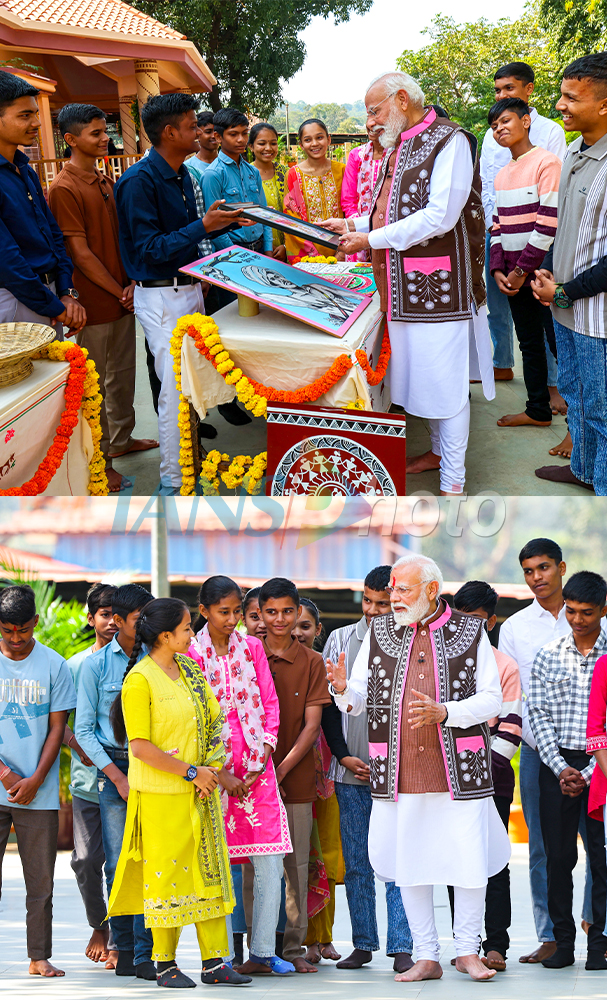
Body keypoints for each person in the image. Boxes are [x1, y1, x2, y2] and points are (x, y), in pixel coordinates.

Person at [327, 554, 510, 983]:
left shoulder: (470, 631)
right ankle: (426, 955)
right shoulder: (380, 631)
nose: (394, 597)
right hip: (398, 769)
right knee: (409, 861)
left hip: (460, 769)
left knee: (468, 860)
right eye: (392, 588)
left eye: (403, 589)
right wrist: (340, 688)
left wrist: (445, 711)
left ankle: (467, 951)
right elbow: (356, 698)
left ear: (431, 590)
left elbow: (491, 700)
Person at [324, 71, 494, 497]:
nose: (370, 122)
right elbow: (390, 214)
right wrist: (350, 223)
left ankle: (453, 481)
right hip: (401, 289)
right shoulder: (399, 146)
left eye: (374, 111)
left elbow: (440, 215)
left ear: (402, 99)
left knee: (446, 384)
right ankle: (437, 453)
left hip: (440, 291)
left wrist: (370, 239)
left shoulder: (450, 140)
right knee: (422, 380)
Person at [106, 597, 251, 988]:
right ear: (166, 635)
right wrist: (191, 772)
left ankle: (215, 963)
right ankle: (165, 963)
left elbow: (213, 719)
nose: (192, 634)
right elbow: (139, 747)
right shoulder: (140, 679)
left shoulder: (188, 668)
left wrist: (210, 771)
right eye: (187, 628)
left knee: (209, 875)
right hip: (161, 798)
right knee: (167, 880)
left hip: (199, 793)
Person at [115, 94, 247, 495]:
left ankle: (188, 460)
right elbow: (149, 250)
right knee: (173, 393)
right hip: (161, 297)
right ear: (170, 132)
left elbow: (192, 236)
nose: (200, 132)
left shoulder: (182, 176)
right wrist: (203, 227)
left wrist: (222, 225)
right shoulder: (138, 182)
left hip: (190, 290)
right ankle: (172, 483)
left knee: (189, 389)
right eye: (192, 126)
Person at [187, 576, 294, 976]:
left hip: (257, 772)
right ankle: (223, 956)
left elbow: (269, 700)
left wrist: (265, 750)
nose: (233, 619)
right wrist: (219, 772)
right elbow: (193, 718)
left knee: (270, 861)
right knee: (221, 866)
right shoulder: (190, 654)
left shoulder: (252, 647)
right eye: (223, 612)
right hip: (214, 777)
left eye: (237, 612)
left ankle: (264, 951)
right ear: (204, 611)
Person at [49, 103, 158, 494]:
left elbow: (121, 240)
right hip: (93, 305)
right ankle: (101, 462)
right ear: (70, 139)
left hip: (121, 297)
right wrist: (119, 290)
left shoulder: (105, 180)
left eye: (103, 131)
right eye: (95, 133)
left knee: (122, 377)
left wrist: (128, 286)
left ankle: (122, 440)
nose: (104, 139)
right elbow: (79, 253)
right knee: (94, 385)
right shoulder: (64, 187)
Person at [321, 565, 414, 973]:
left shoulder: (415, 639)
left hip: (400, 776)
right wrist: (343, 756)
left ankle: (402, 947)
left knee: (399, 861)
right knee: (357, 862)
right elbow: (327, 708)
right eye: (369, 601)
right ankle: (363, 944)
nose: (375, 611)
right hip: (350, 774)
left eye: (384, 603)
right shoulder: (340, 640)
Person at [498, 538, 576, 964]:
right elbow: (517, 697)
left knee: (595, 839)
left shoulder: (589, 618)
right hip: (534, 750)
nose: (536, 578)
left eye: (543, 568)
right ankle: (549, 934)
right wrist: (544, 747)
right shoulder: (515, 628)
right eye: (528, 571)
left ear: (561, 568)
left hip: (592, 748)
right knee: (542, 846)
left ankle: (592, 922)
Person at [532, 53, 607, 494]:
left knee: (601, 408)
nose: (560, 105)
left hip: (596, 319)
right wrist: (545, 273)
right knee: (576, 397)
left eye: (570, 98)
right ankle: (583, 468)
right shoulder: (576, 151)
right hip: (566, 309)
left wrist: (564, 291)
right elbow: (561, 225)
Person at [75, 583, 155, 980]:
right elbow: (84, 731)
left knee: (152, 862)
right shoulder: (93, 666)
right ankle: (123, 947)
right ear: (118, 622)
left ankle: (147, 952)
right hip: (114, 773)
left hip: (155, 768)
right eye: (139, 621)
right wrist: (116, 777)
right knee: (118, 866)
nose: (145, 627)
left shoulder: (157, 660)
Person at [529, 571, 607, 970]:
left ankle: (599, 943)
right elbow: (537, 714)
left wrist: (591, 772)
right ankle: (561, 942)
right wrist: (562, 768)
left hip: (603, 765)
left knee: (601, 856)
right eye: (572, 611)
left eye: (587, 613)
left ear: (604, 610)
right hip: (555, 765)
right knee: (558, 857)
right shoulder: (548, 654)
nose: (577, 620)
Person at [0, 585, 76, 978]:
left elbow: (57, 728)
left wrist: (35, 779)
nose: (15, 639)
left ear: (35, 623)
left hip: (40, 793)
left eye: (22, 630)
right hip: (3, 782)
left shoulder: (54, 666)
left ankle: (38, 956)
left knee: (40, 883)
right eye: (7, 631)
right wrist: (7, 775)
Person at [480, 62, 566, 402]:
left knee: (553, 331)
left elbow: (550, 211)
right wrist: (500, 259)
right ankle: (535, 403)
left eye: (509, 90)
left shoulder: (549, 145)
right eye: (498, 91)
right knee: (515, 321)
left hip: (540, 249)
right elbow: (491, 193)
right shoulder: (500, 160)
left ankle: (557, 387)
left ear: (528, 91)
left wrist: (520, 269)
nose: (502, 96)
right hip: (505, 243)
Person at [259, 577, 332, 973]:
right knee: (255, 865)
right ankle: (257, 949)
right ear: (261, 613)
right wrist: (263, 772)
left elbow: (312, 725)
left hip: (296, 778)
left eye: (288, 611)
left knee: (296, 866)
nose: (280, 619)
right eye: (271, 612)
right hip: (251, 779)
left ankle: (292, 949)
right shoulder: (249, 654)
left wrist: (281, 768)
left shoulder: (312, 662)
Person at [453, 581, 522, 972]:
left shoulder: (503, 665)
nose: (468, 629)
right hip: (448, 780)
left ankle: (495, 943)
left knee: (493, 860)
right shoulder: (442, 659)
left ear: (492, 622)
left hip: (491, 777)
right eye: (461, 620)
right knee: (455, 859)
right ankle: (466, 944)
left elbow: (510, 727)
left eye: (477, 622)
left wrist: (475, 772)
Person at [0, 71, 86, 334]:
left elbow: (53, 235)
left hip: (50, 296)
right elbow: (6, 259)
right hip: (15, 298)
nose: (37, 123)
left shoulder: (24, 170)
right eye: (25, 115)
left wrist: (65, 292)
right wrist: (56, 306)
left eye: (35, 114)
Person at [64, 583, 118, 969]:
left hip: (124, 779)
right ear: (90, 619)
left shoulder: (137, 661)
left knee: (119, 860)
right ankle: (97, 924)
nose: (111, 621)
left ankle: (117, 936)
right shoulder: (75, 666)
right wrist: (78, 746)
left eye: (118, 614)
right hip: (86, 781)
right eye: (104, 614)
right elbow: (60, 722)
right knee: (86, 860)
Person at [292, 599, 343, 968]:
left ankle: (324, 936)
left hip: (327, 773)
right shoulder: (271, 665)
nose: (298, 632)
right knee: (299, 856)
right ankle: (304, 938)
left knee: (326, 856)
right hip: (292, 772)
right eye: (293, 625)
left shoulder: (329, 670)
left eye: (306, 626)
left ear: (318, 630)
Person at [202, 107, 284, 261]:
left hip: (260, 250)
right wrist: (236, 255)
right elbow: (213, 225)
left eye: (244, 133)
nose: (241, 139)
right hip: (231, 253)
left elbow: (264, 214)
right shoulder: (212, 174)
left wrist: (267, 251)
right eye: (233, 134)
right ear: (218, 137)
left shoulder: (253, 172)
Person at [283, 118, 345, 260]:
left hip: (343, 252)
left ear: (328, 140)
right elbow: (292, 220)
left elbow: (350, 210)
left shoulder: (342, 170)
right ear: (301, 145)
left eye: (319, 137)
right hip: (307, 257)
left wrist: (343, 252)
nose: (315, 143)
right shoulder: (293, 175)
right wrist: (314, 257)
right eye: (308, 140)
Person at [340, 124, 387, 262]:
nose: (372, 123)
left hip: (388, 234)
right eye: (369, 116)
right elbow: (348, 200)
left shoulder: (398, 154)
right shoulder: (357, 155)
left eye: (377, 116)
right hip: (358, 233)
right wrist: (360, 230)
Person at [249, 122, 286, 253]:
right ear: (251, 147)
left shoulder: (287, 173)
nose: (268, 148)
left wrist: (286, 247)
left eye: (273, 143)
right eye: (262, 143)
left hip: (288, 249)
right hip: (258, 249)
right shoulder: (245, 175)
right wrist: (268, 247)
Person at [185, 111, 219, 184]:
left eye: (216, 131)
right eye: (208, 132)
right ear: (198, 134)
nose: (214, 136)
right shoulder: (188, 168)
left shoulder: (228, 164)